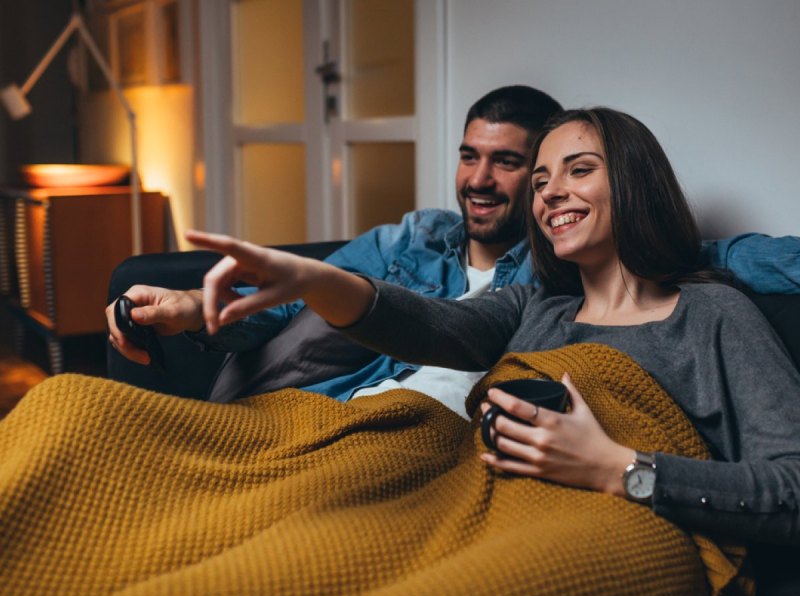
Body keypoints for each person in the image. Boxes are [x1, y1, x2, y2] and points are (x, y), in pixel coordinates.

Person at [183, 107, 800, 548]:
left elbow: (791, 488)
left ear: (635, 184)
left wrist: (618, 468)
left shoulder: (714, 315)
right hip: (467, 502)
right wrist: (313, 278)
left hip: (605, 532)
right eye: (539, 181)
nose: (550, 193)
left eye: (577, 171)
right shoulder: (533, 307)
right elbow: (428, 325)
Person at [107, 86, 800, 411]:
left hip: (419, 439)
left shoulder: (556, 279)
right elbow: (299, 311)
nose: (479, 179)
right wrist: (194, 308)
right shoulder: (411, 240)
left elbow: (719, 254)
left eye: (507, 164)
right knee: (78, 415)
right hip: (318, 407)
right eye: (470, 156)